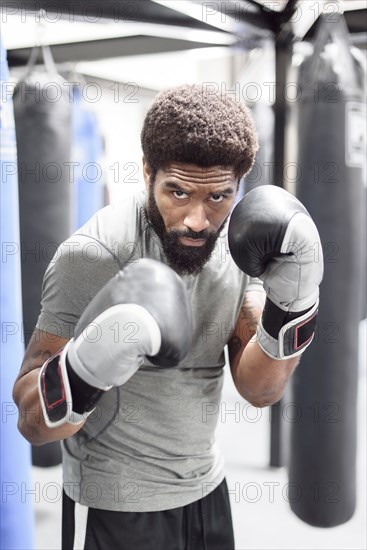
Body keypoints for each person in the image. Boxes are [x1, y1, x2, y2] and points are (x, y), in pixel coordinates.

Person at [13, 84, 323, 550]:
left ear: (238, 187)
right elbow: (31, 423)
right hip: (114, 505)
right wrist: (84, 368)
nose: (198, 220)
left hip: (206, 490)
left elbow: (260, 389)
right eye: (177, 191)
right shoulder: (95, 255)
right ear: (145, 172)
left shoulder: (240, 249)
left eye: (218, 196)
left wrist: (294, 306)